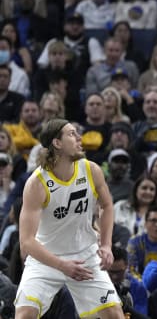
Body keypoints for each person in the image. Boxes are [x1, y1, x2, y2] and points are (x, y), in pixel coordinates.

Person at [14, 119, 124, 318]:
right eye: (72, 134)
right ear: (57, 143)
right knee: (24, 315)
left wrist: (106, 245)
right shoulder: (37, 183)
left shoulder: (91, 170)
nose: (80, 138)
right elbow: (26, 242)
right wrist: (61, 265)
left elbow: (107, 205)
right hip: (46, 258)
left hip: (85, 255)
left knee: (115, 314)